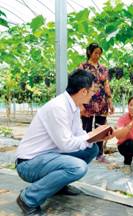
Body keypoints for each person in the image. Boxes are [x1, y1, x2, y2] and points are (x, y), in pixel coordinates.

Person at [15, 69, 113, 215]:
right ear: (83, 91)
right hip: (29, 164)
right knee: (77, 167)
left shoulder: (72, 106)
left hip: (48, 156)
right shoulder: (58, 107)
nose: (94, 94)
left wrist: (97, 137)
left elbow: (79, 135)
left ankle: (59, 186)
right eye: (92, 91)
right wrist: (89, 136)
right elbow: (66, 144)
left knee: (92, 149)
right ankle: (28, 198)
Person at [79, 42, 114, 163]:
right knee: (86, 129)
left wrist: (110, 101)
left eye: (99, 53)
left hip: (101, 102)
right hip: (87, 101)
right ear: (89, 52)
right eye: (96, 53)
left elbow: (106, 85)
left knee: (100, 129)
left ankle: (99, 154)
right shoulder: (83, 67)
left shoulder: (103, 68)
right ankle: (86, 153)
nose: (98, 55)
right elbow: (79, 84)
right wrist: (79, 105)